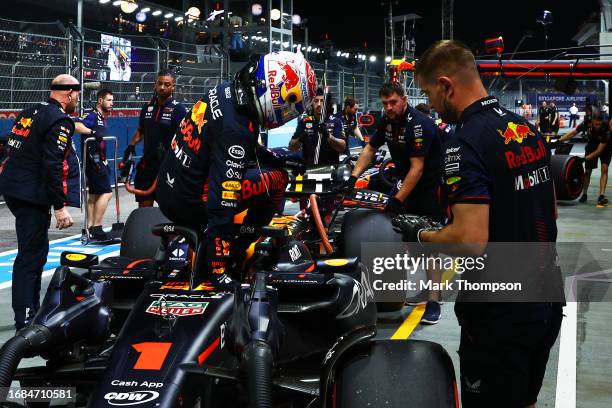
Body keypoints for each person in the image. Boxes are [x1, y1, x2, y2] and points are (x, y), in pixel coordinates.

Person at [393, 40, 562, 408]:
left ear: (446, 85)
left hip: (500, 313)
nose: (433, 104)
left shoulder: (463, 143)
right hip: (546, 297)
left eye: (429, 93)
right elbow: (551, 212)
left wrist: (420, 235)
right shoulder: (525, 129)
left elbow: (469, 239)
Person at [156, 51, 315, 285]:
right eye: (291, 105)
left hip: (167, 191)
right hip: (192, 203)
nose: (288, 113)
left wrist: (273, 157)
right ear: (276, 94)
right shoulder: (237, 129)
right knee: (279, 178)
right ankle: (241, 247)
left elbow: (224, 145)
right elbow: (223, 198)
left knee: (269, 169)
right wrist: (219, 267)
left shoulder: (225, 91)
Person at [343, 81, 445, 323]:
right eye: (385, 103)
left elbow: (417, 169)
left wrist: (398, 199)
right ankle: (423, 289)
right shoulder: (387, 121)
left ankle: (434, 299)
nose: (388, 107)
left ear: (404, 99)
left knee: (429, 243)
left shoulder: (419, 124)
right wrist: (353, 176)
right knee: (409, 239)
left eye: (393, 102)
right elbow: (369, 148)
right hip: (407, 182)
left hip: (430, 187)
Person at [0, 74, 81, 330]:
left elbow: (10, 144)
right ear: (68, 93)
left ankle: (31, 309)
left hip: (13, 187)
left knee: (37, 251)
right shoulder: (60, 120)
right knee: (31, 255)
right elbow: (52, 165)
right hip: (29, 194)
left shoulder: (30, 111)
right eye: (77, 94)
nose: (78, 99)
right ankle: (24, 317)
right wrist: (59, 206)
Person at [121, 69, 187, 207]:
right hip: (147, 166)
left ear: (173, 87)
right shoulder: (147, 107)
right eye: (160, 83)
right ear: (155, 85)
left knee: (169, 210)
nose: (162, 87)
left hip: (168, 167)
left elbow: (185, 138)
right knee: (144, 209)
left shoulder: (179, 110)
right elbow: (141, 130)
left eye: (167, 84)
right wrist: (131, 146)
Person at [74, 88, 114, 240]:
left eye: (112, 101)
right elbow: (76, 125)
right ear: (100, 101)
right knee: (107, 193)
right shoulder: (91, 115)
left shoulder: (101, 117)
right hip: (93, 160)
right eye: (109, 100)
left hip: (99, 159)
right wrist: (91, 133)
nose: (111, 103)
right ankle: (97, 227)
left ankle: (89, 228)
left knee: (94, 195)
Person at [557, 113, 610, 205]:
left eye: (599, 124)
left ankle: (601, 195)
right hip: (592, 144)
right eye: (596, 124)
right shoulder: (586, 123)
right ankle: (584, 194)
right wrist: (559, 141)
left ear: (602, 122)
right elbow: (573, 133)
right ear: (592, 121)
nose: (598, 126)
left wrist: (584, 159)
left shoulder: (606, 128)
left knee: (604, 169)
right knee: (588, 171)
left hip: (605, 147)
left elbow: (599, 150)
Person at [289, 88, 346, 166]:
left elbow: (342, 148)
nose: (319, 104)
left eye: (322, 101)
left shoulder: (336, 121)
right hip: (309, 169)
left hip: (329, 169)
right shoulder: (304, 121)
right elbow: (292, 148)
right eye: (316, 101)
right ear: (312, 103)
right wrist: (301, 138)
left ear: (327, 104)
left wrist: (328, 136)